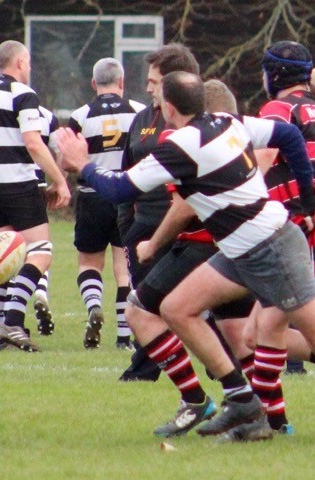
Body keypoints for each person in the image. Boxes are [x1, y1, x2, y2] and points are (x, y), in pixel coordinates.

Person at [56, 71, 315, 442]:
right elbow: (288, 135)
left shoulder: (182, 145)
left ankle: (243, 406)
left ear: (169, 107)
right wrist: (308, 199)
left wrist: (83, 164)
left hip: (271, 248)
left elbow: (119, 189)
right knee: (176, 308)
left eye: (157, 97)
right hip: (241, 249)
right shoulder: (227, 121)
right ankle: (243, 401)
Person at [0, 40, 71, 352]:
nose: (29, 67)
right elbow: (34, 144)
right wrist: (59, 180)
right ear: (20, 63)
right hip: (19, 185)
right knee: (41, 252)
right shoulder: (23, 94)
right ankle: (12, 321)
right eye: (29, 62)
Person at [117, 43, 200, 380]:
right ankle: (144, 369)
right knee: (145, 303)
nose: (148, 88)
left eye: (154, 82)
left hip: (189, 229)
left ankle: (225, 366)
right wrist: (128, 224)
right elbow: (127, 172)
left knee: (193, 305)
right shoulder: (141, 118)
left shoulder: (200, 122)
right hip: (145, 227)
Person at [68, 57, 145, 350]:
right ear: (122, 82)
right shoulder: (139, 112)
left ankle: (94, 307)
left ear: (93, 83)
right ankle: (124, 338)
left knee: (89, 263)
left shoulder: (80, 116)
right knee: (124, 269)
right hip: (126, 195)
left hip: (91, 196)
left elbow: (68, 161)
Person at [257, 41, 315, 376]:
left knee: (264, 323)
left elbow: (264, 158)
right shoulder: (314, 108)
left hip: (294, 222)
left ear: (275, 75)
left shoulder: (277, 109)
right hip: (310, 219)